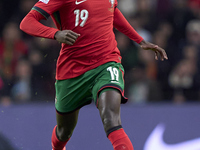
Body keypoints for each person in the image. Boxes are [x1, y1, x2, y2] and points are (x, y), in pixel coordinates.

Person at [20, 0, 168, 149]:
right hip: (72, 71)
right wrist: (55, 33)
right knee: (64, 131)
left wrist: (140, 40)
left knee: (111, 119)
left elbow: (112, 12)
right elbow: (27, 22)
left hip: (106, 63)